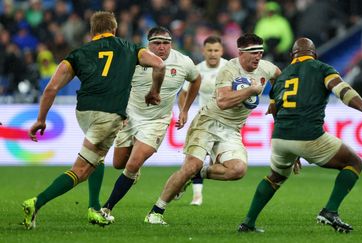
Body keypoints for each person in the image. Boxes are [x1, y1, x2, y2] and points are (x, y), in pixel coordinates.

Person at [21, 11, 166, 230]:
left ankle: (94, 208)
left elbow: (51, 88)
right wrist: (154, 91)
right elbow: (159, 64)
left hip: (83, 113)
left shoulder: (78, 54)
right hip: (108, 115)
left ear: (92, 32)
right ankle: (36, 202)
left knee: (96, 158)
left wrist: (41, 119)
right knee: (80, 170)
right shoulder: (130, 48)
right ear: (114, 29)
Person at [237, 38, 362, 233]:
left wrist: (292, 150)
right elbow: (343, 91)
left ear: (293, 56)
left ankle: (247, 223)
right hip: (308, 135)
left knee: (275, 177)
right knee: (354, 163)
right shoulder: (321, 68)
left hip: (280, 137)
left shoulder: (281, 77)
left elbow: (275, 110)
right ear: (314, 54)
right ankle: (330, 211)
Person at [144, 33, 282, 225]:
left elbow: (279, 77)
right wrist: (251, 90)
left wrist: (275, 100)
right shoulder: (228, 70)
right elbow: (224, 101)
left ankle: (199, 174)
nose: (258, 56)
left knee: (238, 170)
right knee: (190, 165)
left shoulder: (265, 68)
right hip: (208, 122)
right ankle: (155, 212)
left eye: (260, 52)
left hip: (232, 129)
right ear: (241, 53)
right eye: (253, 52)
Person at [95, 26, 201, 223]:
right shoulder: (133, 59)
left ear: (172, 43)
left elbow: (196, 80)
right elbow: (117, 86)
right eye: (157, 43)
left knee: (133, 164)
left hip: (156, 121)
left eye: (166, 43)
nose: (162, 47)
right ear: (148, 43)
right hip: (130, 116)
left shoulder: (183, 62)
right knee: (119, 164)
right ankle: (132, 174)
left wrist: (185, 109)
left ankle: (106, 209)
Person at [176, 35, 228, 206]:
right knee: (194, 159)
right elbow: (183, 93)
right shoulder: (197, 70)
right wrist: (184, 112)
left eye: (216, 50)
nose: (213, 54)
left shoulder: (230, 68)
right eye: (209, 50)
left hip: (225, 122)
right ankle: (197, 197)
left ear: (222, 51)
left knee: (221, 164)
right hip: (204, 121)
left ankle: (189, 177)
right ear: (203, 51)